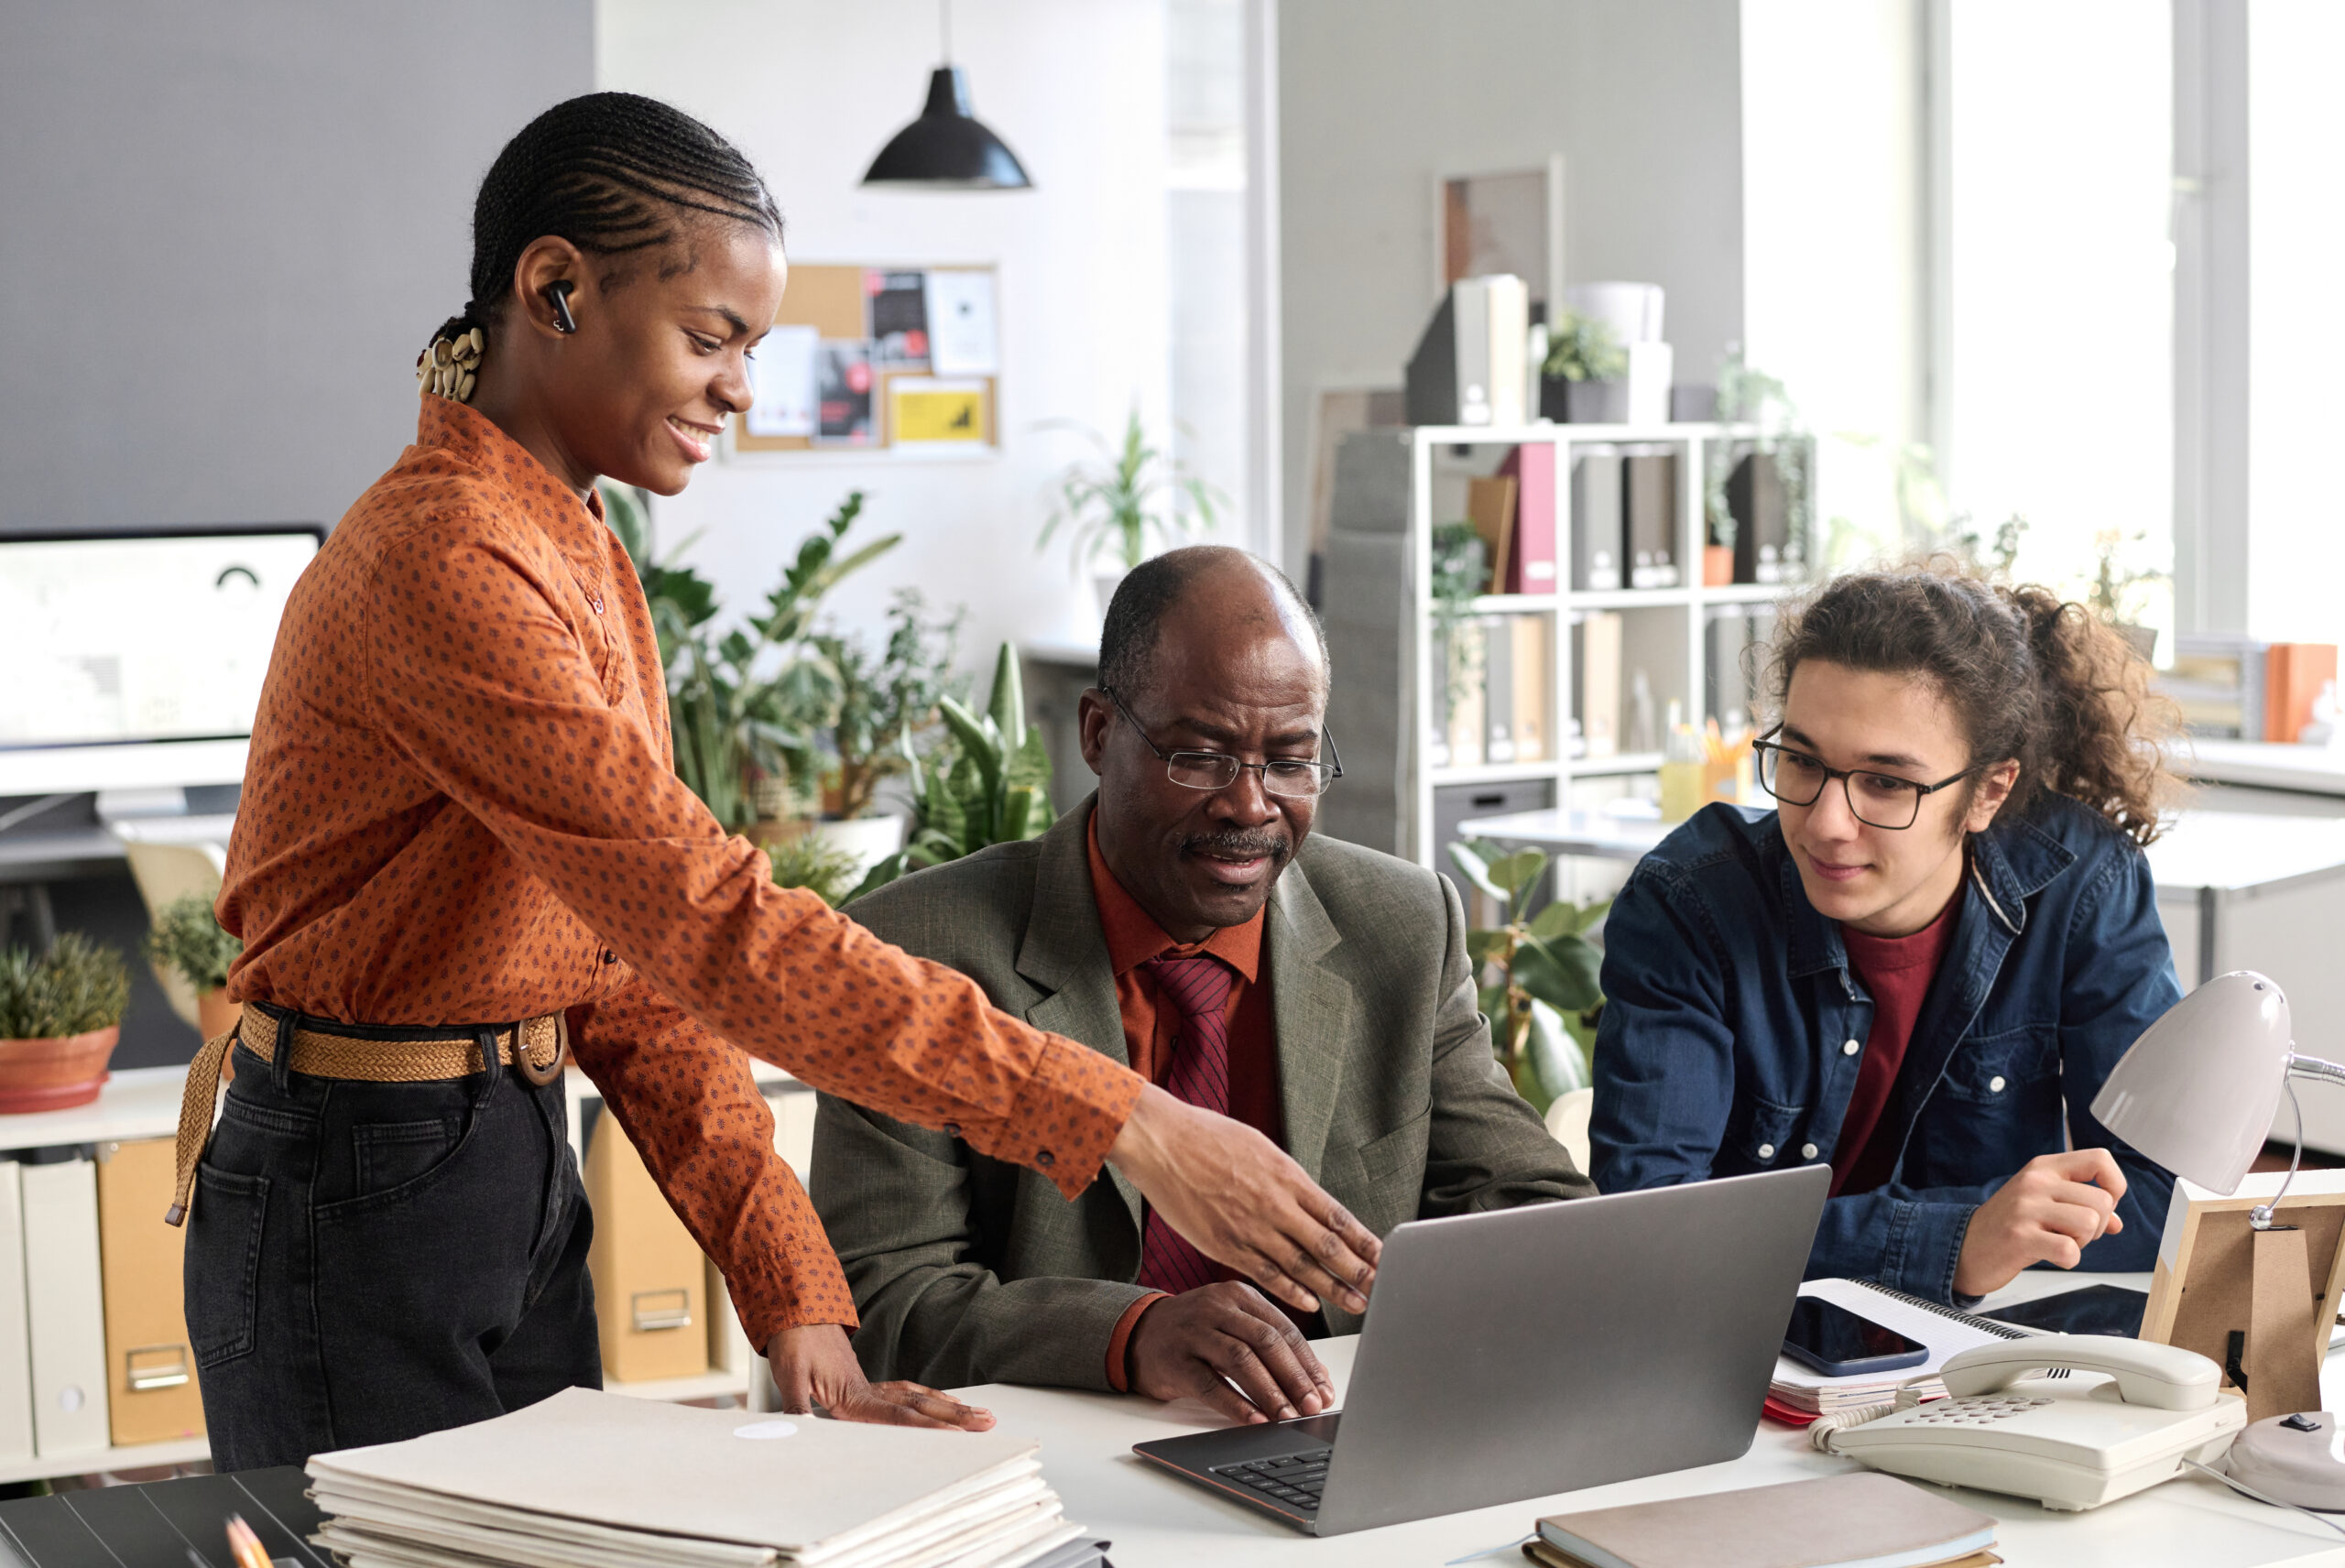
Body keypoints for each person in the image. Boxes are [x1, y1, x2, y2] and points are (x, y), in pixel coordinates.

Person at [181, 93, 1378, 1471]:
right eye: (711, 338)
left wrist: (798, 1296)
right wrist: (1131, 1121)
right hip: (355, 1175)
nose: (742, 388)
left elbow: (628, 963)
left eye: (749, 347)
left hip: (499, 1151)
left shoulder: (571, 545)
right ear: (555, 290)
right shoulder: (448, 560)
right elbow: (715, 924)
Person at [811, 547, 1591, 1426]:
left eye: (1290, 761)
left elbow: (1531, 1214)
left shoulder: (1402, 926)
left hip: (1332, 1442)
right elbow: (878, 1305)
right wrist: (1131, 1334)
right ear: (1099, 734)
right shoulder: (916, 949)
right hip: (1040, 1467)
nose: (1250, 806)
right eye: (1202, 756)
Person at [1589, 563, 2183, 1304]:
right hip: (1746, 1352)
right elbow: (1652, 1230)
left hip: (1986, 1353)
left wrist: (1972, 1244)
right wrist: (1955, 1240)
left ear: (1988, 792)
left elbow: (2166, 1194)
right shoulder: (1690, 902)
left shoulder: (2083, 884)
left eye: (1886, 782)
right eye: (1803, 761)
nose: (1827, 823)